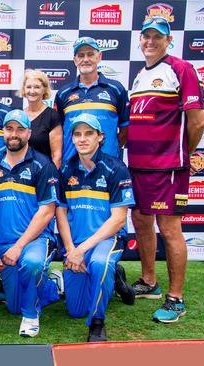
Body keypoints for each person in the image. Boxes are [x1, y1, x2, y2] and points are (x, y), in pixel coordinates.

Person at [127, 16, 204, 323]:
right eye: (146, 36)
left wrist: (183, 154)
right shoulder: (140, 75)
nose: (150, 41)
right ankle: (149, 282)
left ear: (168, 40)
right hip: (139, 166)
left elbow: (197, 121)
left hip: (168, 167)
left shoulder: (181, 68)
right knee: (141, 220)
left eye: (156, 36)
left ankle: (176, 299)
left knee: (170, 229)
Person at [56, 113, 137, 342]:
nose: (83, 139)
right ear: (71, 138)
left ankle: (97, 323)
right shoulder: (65, 170)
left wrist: (81, 250)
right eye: (78, 134)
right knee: (75, 309)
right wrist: (72, 249)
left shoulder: (116, 168)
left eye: (89, 133)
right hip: (76, 244)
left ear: (100, 137)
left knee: (99, 263)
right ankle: (115, 279)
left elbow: (119, 219)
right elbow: (60, 213)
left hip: (106, 241)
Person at [0, 109, 60, 338]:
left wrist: (19, 246)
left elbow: (47, 212)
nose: (14, 134)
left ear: (29, 133)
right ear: (3, 132)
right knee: (12, 306)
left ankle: (30, 315)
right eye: (9, 129)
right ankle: (52, 285)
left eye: (20, 129)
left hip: (35, 241)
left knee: (32, 264)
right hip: (4, 244)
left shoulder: (43, 165)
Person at [54, 37, 129, 163]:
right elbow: (59, 132)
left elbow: (125, 129)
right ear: (75, 60)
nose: (85, 59)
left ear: (99, 56)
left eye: (90, 54)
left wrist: (110, 149)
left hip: (108, 166)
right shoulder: (63, 93)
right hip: (72, 169)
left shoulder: (116, 89)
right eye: (81, 55)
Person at [20, 69, 62, 168]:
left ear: (44, 90)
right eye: (28, 87)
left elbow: (57, 156)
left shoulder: (52, 116)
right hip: (22, 175)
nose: (32, 91)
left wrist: (50, 178)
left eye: (37, 87)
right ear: (24, 90)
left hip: (43, 173)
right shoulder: (19, 115)